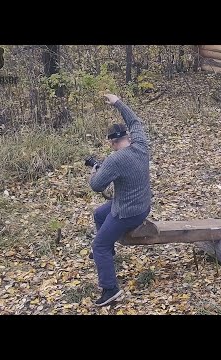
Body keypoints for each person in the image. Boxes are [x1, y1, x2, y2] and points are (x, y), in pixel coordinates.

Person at [88, 93, 151, 307]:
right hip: (143, 206)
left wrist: (96, 171)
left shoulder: (115, 160)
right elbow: (135, 120)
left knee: (99, 245)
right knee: (98, 214)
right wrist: (117, 102)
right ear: (127, 136)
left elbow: (97, 186)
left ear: (113, 142)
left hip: (127, 212)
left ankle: (110, 289)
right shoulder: (141, 145)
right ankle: (109, 252)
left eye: (111, 144)